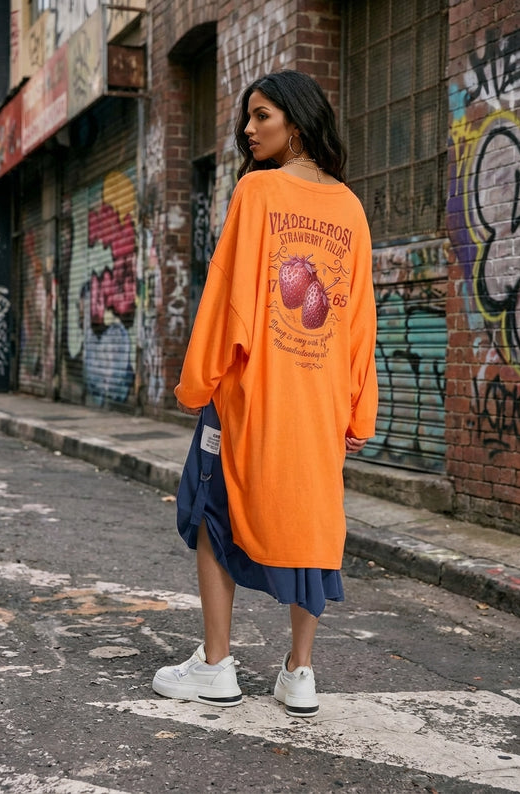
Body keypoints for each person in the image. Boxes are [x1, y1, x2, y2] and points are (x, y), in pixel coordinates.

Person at [152, 69, 378, 718]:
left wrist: (198, 383)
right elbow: (360, 322)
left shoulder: (257, 192)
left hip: (252, 394)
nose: (248, 130)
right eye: (248, 118)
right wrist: (358, 411)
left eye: (262, 116)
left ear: (296, 123)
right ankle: (299, 673)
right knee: (314, 524)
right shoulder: (350, 207)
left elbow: (227, 299)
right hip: (321, 400)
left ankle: (217, 666)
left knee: (209, 511)